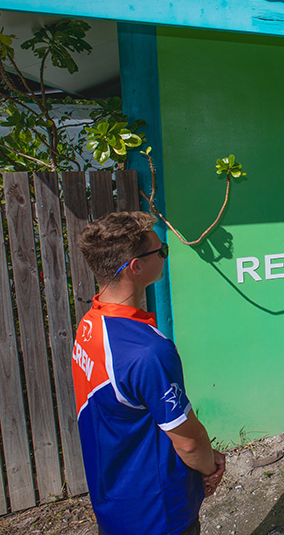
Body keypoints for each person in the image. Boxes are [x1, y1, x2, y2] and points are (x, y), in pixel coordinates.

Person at [72, 212, 226, 535]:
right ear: (136, 267)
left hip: (114, 505)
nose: (165, 255)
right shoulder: (148, 351)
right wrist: (210, 467)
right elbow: (188, 443)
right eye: (162, 251)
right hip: (158, 513)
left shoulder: (89, 326)